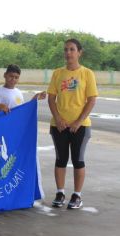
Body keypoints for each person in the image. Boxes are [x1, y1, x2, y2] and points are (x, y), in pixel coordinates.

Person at [47, 38, 98, 209]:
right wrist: (59, 119)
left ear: (79, 52)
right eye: (66, 49)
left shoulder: (87, 74)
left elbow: (91, 100)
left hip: (80, 126)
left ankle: (77, 195)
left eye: (72, 49)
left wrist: (78, 121)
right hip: (59, 125)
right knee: (61, 159)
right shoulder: (57, 73)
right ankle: (60, 193)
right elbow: (51, 98)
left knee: (78, 160)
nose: (68, 53)